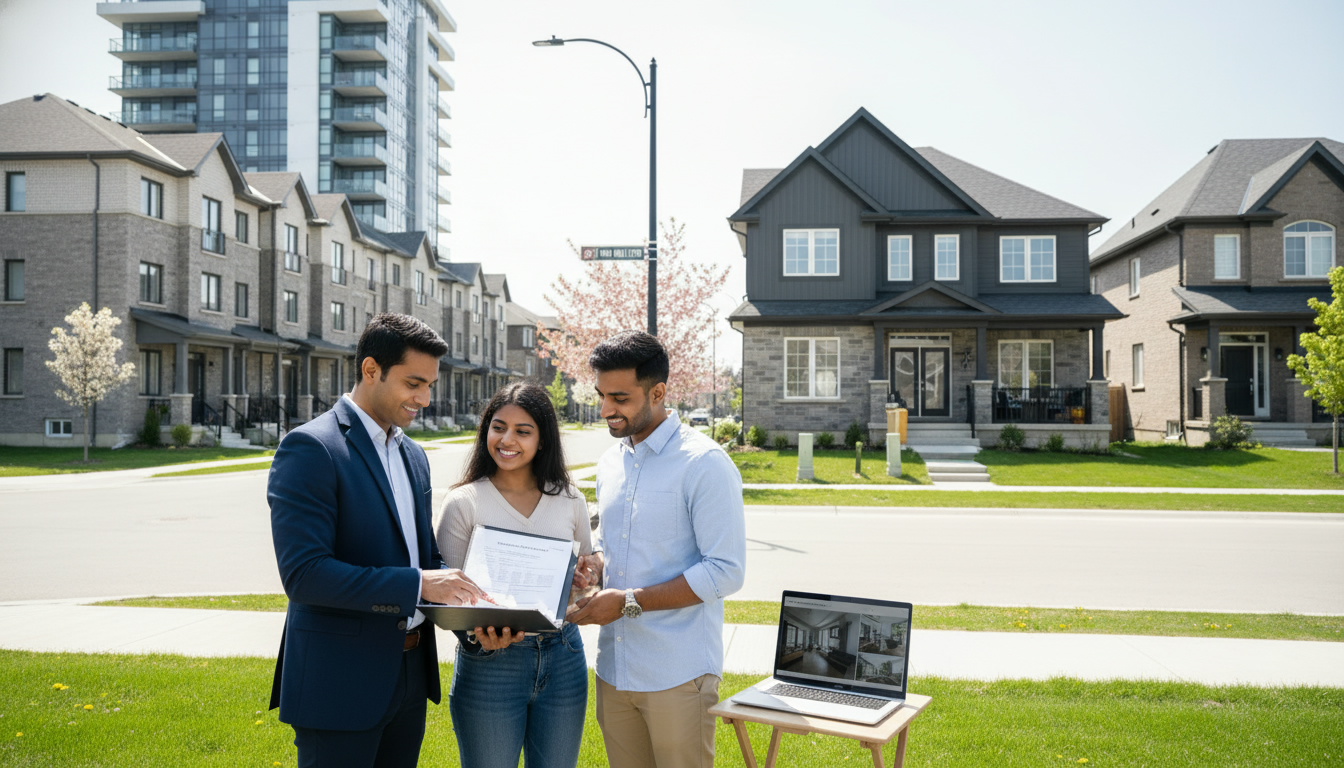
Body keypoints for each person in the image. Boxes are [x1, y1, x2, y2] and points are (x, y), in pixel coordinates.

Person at [268, 312, 487, 768]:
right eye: (414, 383)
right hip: (339, 682)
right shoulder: (311, 449)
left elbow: (425, 558)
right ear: (371, 370)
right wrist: (418, 585)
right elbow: (305, 575)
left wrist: (482, 609)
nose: (425, 398)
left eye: (430, 385)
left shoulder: (413, 454)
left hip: (409, 676)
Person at [568, 330, 746, 768]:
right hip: (614, 669)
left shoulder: (704, 464)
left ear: (658, 392)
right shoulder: (610, 463)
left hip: (678, 673)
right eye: (601, 395)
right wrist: (596, 565)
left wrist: (628, 602)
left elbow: (726, 570)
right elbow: (616, 543)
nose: (606, 409)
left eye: (620, 398)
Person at [435, 382, 592, 768]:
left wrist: (581, 582)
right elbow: (451, 599)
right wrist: (477, 638)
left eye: (523, 431)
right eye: (498, 427)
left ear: (543, 440)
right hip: (491, 665)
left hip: (564, 655)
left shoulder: (570, 500)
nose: (507, 439)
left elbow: (585, 577)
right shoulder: (464, 503)